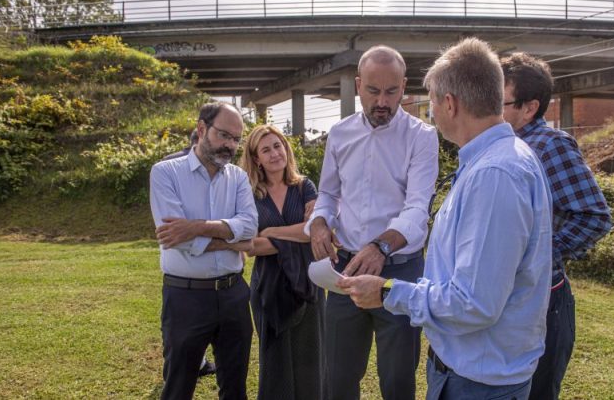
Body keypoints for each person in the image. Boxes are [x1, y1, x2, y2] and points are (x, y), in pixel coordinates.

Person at [338, 37, 553, 400]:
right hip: (474, 371)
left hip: (477, 381)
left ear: (450, 103)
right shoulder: (498, 160)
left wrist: (388, 292)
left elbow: (474, 303)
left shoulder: (495, 175)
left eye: (432, 103)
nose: (431, 113)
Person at [306, 45, 439, 400]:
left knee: (397, 381)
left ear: (404, 86)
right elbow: (329, 194)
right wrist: (319, 222)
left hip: (400, 271)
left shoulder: (422, 137)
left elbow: (416, 208)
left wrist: (381, 246)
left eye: (392, 92)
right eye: (373, 91)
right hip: (345, 270)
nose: (383, 101)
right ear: (357, 84)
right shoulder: (339, 134)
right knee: (337, 377)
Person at [500, 53, 612, 400]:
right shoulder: (506, 145)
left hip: (546, 303)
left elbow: (594, 217)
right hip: (513, 298)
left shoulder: (551, 146)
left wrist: (538, 254)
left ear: (529, 108)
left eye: (498, 101)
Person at [149, 102, 258, 400]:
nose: (230, 145)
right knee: (178, 387)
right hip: (186, 297)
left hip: (234, 294)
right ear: (201, 129)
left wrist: (195, 227)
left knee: (235, 387)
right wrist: (231, 240)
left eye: (236, 139)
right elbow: (176, 239)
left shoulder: (237, 177)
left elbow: (250, 227)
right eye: (224, 135)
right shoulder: (165, 173)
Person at [239, 124, 326, 400]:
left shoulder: (305, 186)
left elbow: (314, 230)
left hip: (307, 283)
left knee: (311, 358)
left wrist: (273, 232)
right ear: (256, 159)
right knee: (274, 360)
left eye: (278, 146)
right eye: (266, 149)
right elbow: (252, 246)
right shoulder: (249, 195)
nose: (275, 153)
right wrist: (298, 232)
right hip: (269, 287)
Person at [160, 128, 217, 378]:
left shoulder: (167, 162)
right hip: (188, 252)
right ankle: (190, 364)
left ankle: (179, 364)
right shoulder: (173, 167)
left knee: (178, 325)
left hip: (181, 260)